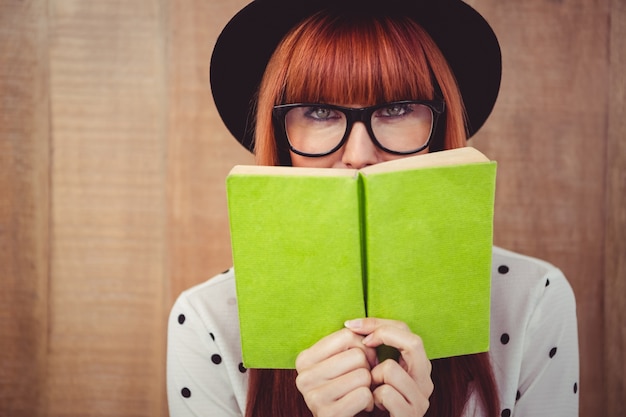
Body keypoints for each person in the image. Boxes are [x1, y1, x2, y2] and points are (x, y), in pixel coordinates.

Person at [166, 0, 579, 416]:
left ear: (440, 127)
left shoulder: (532, 302)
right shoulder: (208, 322)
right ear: (278, 133)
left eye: (397, 108)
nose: (358, 154)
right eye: (320, 111)